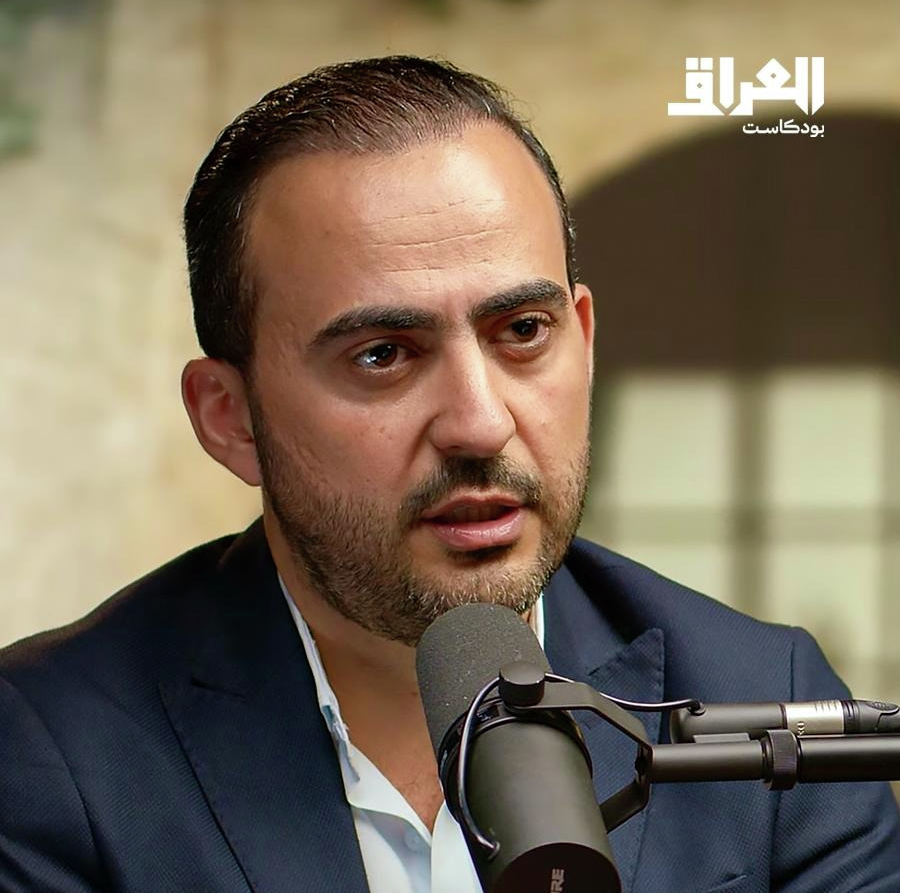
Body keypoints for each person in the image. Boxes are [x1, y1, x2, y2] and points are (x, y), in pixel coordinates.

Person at [0, 56, 897, 893]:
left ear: (584, 341)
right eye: (383, 354)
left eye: (523, 333)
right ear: (229, 417)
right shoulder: (50, 751)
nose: (479, 422)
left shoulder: (769, 705)